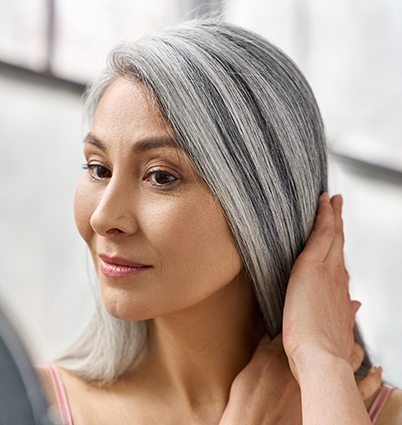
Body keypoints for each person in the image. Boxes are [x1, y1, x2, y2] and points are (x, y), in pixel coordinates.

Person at [37, 19, 401, 424]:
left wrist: (322, 365)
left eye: (161, 176)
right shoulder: (29, 407)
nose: (104, 217)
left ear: (262, 202)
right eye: (98, 169)